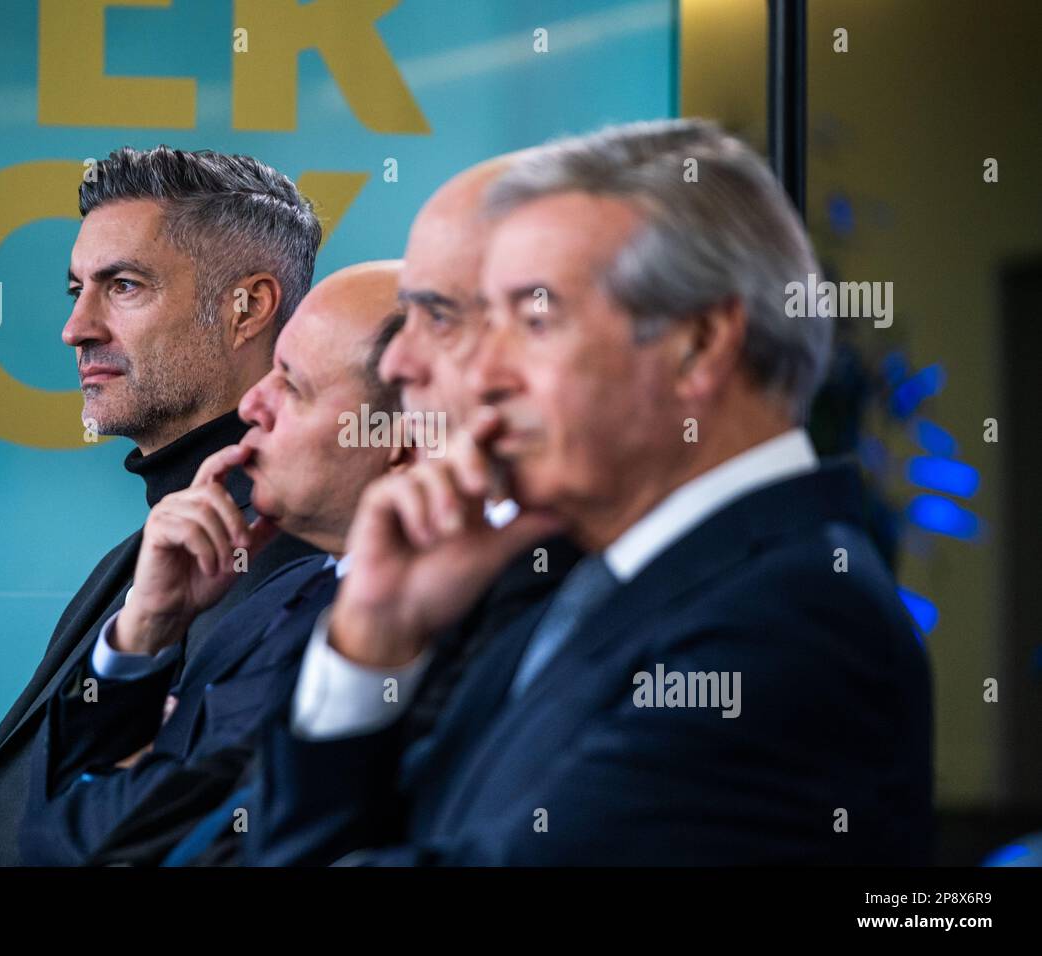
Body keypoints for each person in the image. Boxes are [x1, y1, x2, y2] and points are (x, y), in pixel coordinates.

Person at [249, 119, 933, 865]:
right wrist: (374, 646)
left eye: (535, 320)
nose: (484, 375)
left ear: (698, 344)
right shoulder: (581, 581)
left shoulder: (793, 627)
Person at [0, 146, 322, 866]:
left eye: (124, 287)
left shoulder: (302, 569)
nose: (76, 329)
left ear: (249, 309)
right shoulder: (142, 554)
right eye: (77, 288)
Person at [19, 262, 410, 866]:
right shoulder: (284, 590)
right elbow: (50, 824)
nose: (253, 404)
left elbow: (100, 845)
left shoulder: (413, 638)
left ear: (400, 441)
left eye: (294, 385)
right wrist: (146, 630)